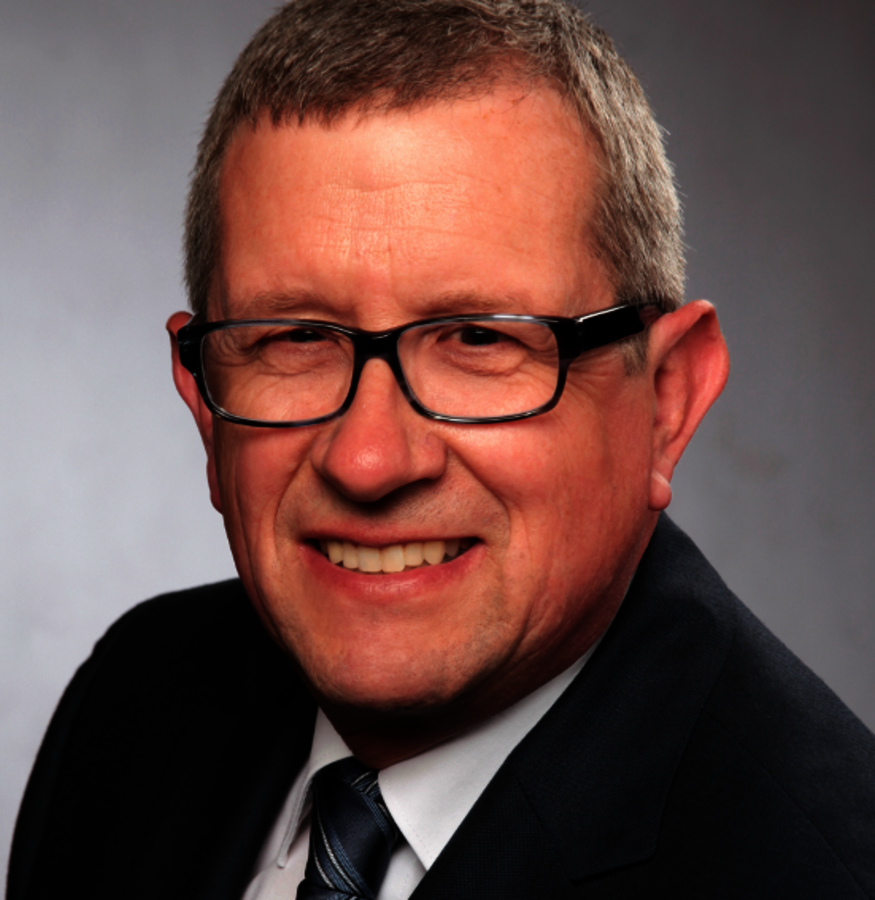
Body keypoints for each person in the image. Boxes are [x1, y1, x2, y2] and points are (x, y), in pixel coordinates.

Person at [8, 1, 875, 897]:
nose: (368, 460)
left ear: (665, 402)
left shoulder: (815, 871)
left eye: (476, 339)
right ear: (202, 403)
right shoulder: (135, 704)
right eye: (295, 338)